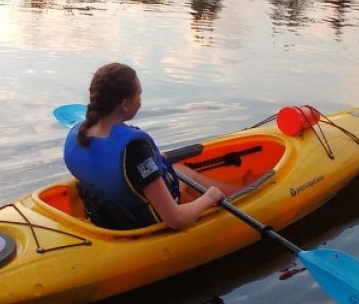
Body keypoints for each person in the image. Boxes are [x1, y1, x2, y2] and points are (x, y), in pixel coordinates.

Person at [63, 62, 240, 230]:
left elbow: (112, 165)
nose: (140, 100)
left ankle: (238, 192)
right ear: (125, 104)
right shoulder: (135, 151)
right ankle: (241, 196)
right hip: (140, 223)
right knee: (191, 178)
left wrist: (151, 161)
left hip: (104, 215)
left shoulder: (82, 131)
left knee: (180, 170)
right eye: (139, 95)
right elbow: (175, 220)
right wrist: (209, 197)